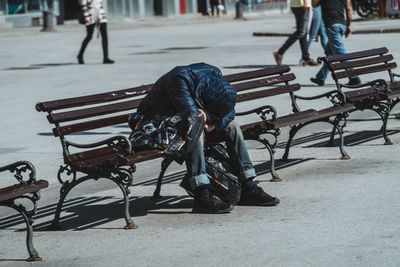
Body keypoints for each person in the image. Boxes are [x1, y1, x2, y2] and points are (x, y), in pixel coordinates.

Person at [132, 63, 280, 214]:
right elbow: (192, 116)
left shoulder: (214, 75)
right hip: (156, 126)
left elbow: (229, 111)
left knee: (232, 126)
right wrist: (209, 121)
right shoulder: (179, 80)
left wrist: (214, 124)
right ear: (204, 100)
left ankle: (249, 186)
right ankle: (201, 193)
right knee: (195, 132)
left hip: (182, 122)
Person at [310, 0, 360, 86]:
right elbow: (348, 9)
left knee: (341, 54)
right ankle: (320, 78)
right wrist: (348, 26)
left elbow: (314, 4)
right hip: (342, 25)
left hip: (332, 26)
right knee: (330, 54)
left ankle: (354, 77)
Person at [273, 0, 319, 66]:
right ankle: (280, 52)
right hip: (301, 5)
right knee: (301, 32)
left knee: (303, 33)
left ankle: (306, 57)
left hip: (299, 5)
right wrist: (304, 2)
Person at [77, 0, 114, 64]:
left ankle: (106, 58)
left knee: (104, 35)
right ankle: (80, 55)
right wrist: (86, 16)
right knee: (89, 36)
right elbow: (83, 4)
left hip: (100, 13)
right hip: (90, 14)